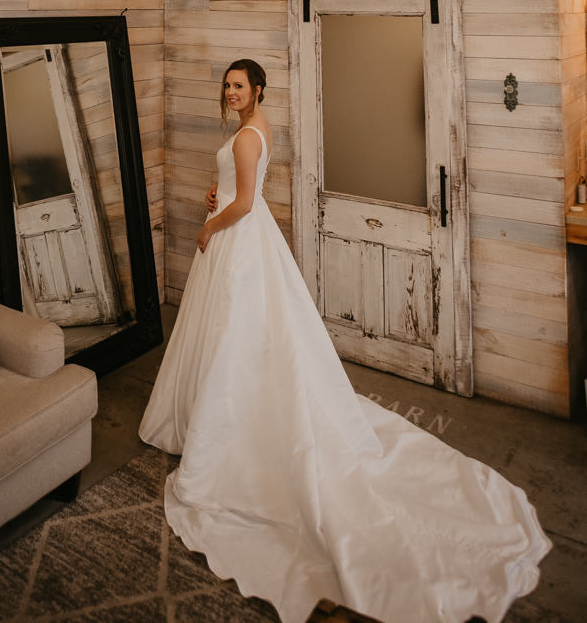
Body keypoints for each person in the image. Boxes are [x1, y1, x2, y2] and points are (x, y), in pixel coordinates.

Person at [140, 58, 550, 623]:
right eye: (227, 85)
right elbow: (240, 187)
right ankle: (217, 409)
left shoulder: (246, 136)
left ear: (257, 89)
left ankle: (230, 425)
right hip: (248, 236)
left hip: (239, 237)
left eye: (240, 86)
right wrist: (221, 193)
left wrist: (210, 222)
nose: (231, 92)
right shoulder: (255, 130)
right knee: (234, 332)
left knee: (238, 332)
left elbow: (244, 203)